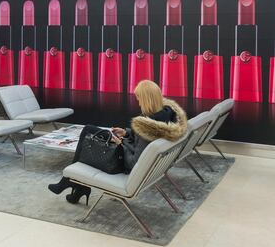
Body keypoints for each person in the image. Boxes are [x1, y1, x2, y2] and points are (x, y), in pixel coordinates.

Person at [48, 80, 187, 204]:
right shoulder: (164, 117)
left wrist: (120, 143)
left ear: (146, 100)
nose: (137, 102)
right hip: (142, 161)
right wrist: (126, 133)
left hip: (124, 163)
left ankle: (70, 183)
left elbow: (133, 162)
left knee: (88, 136)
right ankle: (77, 188)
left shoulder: (147, 127)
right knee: (90, 131)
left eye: (138, 98)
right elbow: (143, 140)